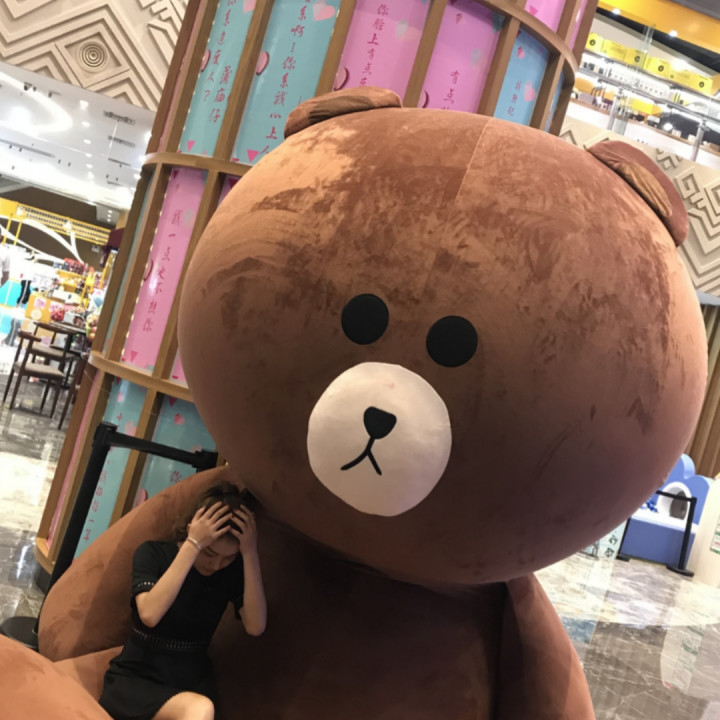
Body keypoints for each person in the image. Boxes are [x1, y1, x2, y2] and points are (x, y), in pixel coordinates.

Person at [99, 482, 267, 720]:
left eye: (227, 558)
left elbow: (256, 625)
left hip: (190, 683)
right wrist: (193, 545)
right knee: (199, 709)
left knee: (200, 707)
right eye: (209, 553)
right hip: (137, 679)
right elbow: (150, 615)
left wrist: (249, 553)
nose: (216, 565)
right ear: (191, 530)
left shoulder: (231, 572)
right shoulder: (153, 553)